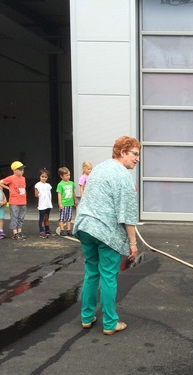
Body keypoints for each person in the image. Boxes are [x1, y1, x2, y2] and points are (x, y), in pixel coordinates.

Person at [73, 136, 140, 335]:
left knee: (92, 273)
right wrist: (133, 243)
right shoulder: (124, 175)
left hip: (85, 226)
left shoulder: (100, 168)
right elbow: (128, 213)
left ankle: (87, 317)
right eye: (135, 154)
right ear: (123, 152)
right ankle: (110, 323)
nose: (137, 159)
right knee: (109, 276)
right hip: (105, 231)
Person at [2, 161, 28, 240]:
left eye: (23, 169)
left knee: (21, 217)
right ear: (14, 170)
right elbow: (0, 182)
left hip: (23, 201)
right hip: (14, 201)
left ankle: (19, 231)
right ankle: (15, 233)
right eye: (20, 169)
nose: (22, 171)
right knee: (14, 217)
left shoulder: (23, 178)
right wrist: (8, 188)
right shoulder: (11, 178)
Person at [56, 166, 77, 236]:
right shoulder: (60, 184)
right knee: (62, 217)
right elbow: (59, 194)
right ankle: (62, 230)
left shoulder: (71, 183)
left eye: (69, 175)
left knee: (69, 217)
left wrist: (75, 200)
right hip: (63, 203)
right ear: (61, 176)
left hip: (70, 203)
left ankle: (68, 230)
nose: (68, 177)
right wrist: (60, 203)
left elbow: (73, 192)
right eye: (66, 175)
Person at [34, 168, 53, 238]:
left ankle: (47, 229)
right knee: (42, 218)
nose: (44, 178)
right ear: (39, 176)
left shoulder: (48, 185)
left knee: (47, 217)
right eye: (42, 176)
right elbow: (36, 195)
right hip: (42, 204)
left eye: (45, 177)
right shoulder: (37, 185)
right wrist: (38, 193)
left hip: (48, 204)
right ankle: (42, 231)